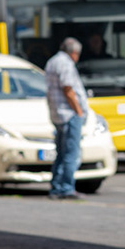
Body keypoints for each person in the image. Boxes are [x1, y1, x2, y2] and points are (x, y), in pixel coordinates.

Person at [44, 37, 88, 200]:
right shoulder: (65, 63)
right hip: (69, 114)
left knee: (61, 153)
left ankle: (56, 186)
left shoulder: (52, 61)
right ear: (74, 53)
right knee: (71, 153)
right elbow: (68, 88)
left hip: (57, 113)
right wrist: (79, 111)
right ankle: (66, 188)